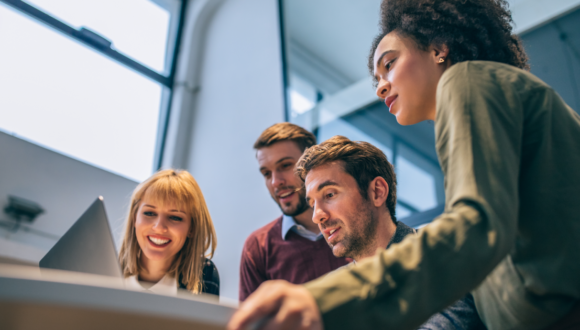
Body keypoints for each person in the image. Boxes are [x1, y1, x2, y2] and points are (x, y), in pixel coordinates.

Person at [227, 0, 580, 329]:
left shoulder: (467, 81)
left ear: (438, 48)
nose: (381, 87)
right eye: (377, 79)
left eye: (389, 64)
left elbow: (477, 226)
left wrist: (322, 301)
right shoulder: (505, 101)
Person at [305, 136, 486, 330]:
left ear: (377, 192)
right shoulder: (335, 291)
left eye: (330, 195)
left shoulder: (439, 252)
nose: (317, 216)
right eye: (312, 204)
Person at [239, 123, 349, 301]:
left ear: (313, 163)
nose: (275, 182)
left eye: (285, 166)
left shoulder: (354, 224)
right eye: (267, 173)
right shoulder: (258, 248)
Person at [118, 169, 219, 296]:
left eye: (175, 217)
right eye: (149, 213)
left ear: (192, 228)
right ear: (134, 218)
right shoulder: (104, 269)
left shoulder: (204, 274)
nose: (159, 227)